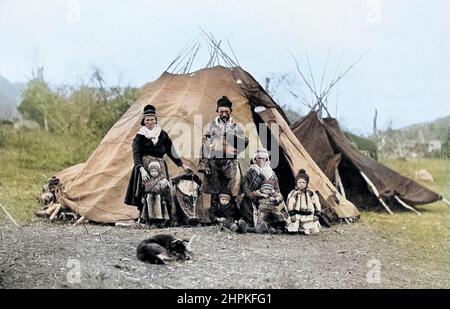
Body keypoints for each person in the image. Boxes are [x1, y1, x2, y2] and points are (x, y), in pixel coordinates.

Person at [124, 104, 191, 225]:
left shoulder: (162, 134)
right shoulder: (140, 136)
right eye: (147, 120)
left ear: (156, 120)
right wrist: (142, 170)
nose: (150, 122)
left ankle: (162, 218)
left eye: (152, 119)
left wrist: (182, 164)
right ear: (144, 121)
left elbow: (171, 151)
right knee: (147, 191)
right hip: (145, 165)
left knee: (162, 189)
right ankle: (146, 218)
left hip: (160, 165)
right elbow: (136, 154)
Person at [199, 96, 248, 214]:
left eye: (226, 111)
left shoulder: (236, 127)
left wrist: (231, 135)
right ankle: (214, 215)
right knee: (214, 188)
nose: (224, 114)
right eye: (221, 111)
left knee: (231, 188)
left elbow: (244, 143)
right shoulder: (211, 126)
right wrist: (205, 164)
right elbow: (204, 144)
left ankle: (229, 214)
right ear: (218, 111)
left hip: (230, 162)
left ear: (230, 111)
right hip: (214, 162)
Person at [240, 149, 286, 234]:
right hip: (253, 201)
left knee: (274, 214)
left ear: (267, 160)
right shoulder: (250, 172)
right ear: (255, 159)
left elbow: (277, 190)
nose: (261, 160)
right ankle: (252, 227)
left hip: (268, 201)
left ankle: (268, 227)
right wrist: (256, 194)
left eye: (263, 158)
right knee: (252, 217)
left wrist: (275, 198)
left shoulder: (272, 174)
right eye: (259, 158)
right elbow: (245, 191)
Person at [286, 169, 322, 235]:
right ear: (296, 183)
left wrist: (317, 213)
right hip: (297, 215)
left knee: (312, 231)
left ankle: (304, 229)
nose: (301, 184)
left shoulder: (311, 193)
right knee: (292, 230)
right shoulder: (293, 193)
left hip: (308, 215)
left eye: (303, 182)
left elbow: (317, 203)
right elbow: (290, 203)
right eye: (299, 182)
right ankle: (297, 228)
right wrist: (291, 214)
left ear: (307, 183)